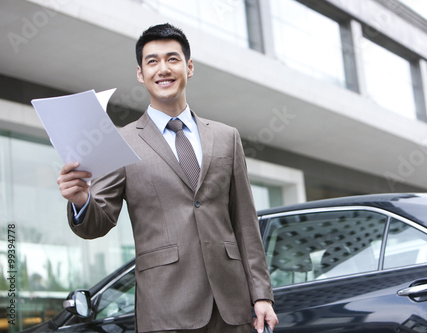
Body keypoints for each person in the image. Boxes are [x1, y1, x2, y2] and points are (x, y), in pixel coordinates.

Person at [57, 23, 278, 333]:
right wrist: (82, 200)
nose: (163, 69)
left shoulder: (227, 138)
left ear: (188, 67)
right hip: (165, 310)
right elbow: (98, 222)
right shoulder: (119, 141)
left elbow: (244, 222)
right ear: (140, 73)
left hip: (233, 307)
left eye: (172, 59)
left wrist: (261, 296)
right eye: (152, 61)